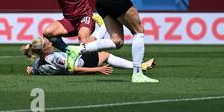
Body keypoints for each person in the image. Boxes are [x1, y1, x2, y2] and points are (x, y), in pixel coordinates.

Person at [23, 37, 156, 76]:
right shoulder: (55, 58)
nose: (51, 43)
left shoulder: (38, 63)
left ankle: (102, 27)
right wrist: (96, 70)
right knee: (103, 53)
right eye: (48, 44)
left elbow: (34, 70)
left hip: (80, 59)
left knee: (89, 42)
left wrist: (31, 71)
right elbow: (73, 69)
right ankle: (140, 66)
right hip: (83, 63)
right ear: (44, 50)